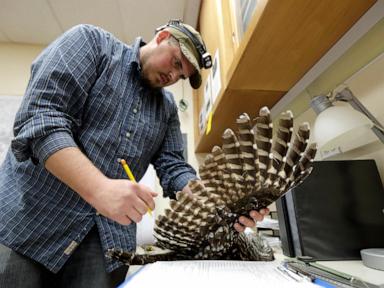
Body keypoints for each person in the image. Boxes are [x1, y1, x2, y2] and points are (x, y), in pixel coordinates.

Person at [0, 20, 268, 287]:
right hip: (30, 220)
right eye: (176, 63)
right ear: (162, 37)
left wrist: (215, 199)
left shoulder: (167, 108)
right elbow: (42, 120)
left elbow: (173, 166)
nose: (174, 77)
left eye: (182, 76)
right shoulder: (92, 44)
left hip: (105, 241)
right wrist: (99, 189)